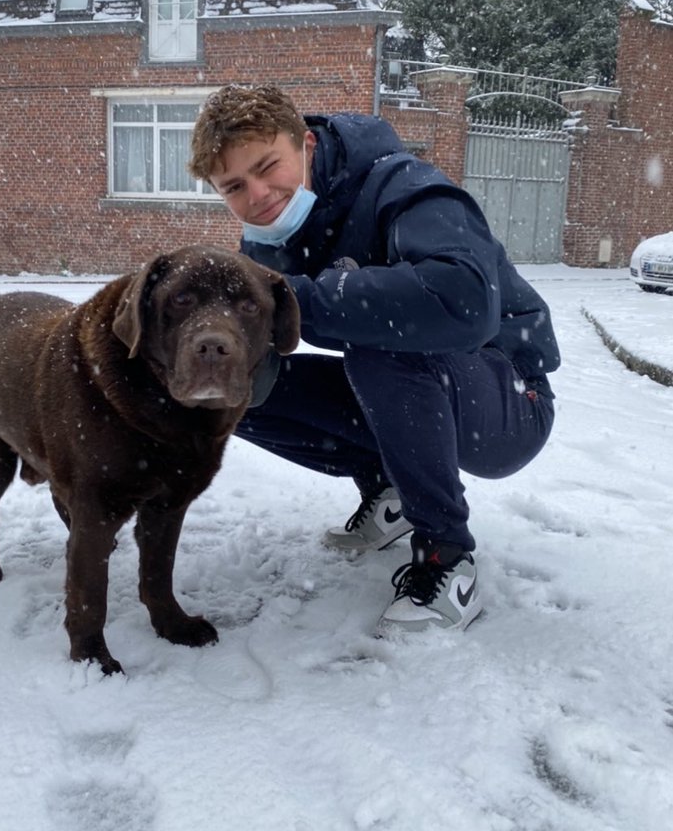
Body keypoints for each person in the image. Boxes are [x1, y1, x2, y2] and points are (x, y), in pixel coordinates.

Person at [188, 84, 559, 633]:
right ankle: (389, 492)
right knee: (234, 385)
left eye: (269, 166)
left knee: (381, 341)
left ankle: (447, 559)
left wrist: (292, 298)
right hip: (413, 387)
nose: (259, 194)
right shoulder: (268, 238)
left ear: (307, 145)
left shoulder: (408, 189)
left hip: (508, 397)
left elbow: (464, 301)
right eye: (235, 187)